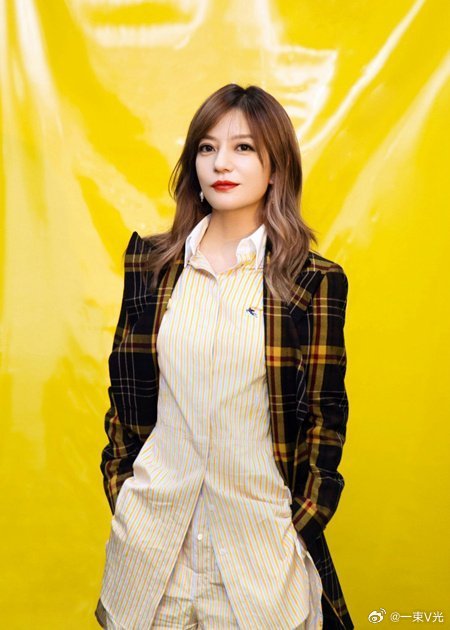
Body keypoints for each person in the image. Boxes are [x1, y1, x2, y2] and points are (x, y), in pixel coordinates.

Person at [94, 84, 353, 630]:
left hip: (260, 557)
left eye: (244, 148)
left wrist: (297, 524)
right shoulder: (152, 266)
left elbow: (325, 419)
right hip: (151, 551)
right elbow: (126, 397)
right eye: (207, 148)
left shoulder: (312, 282)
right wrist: (127, 498)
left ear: (276, 168)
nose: (221, 164)